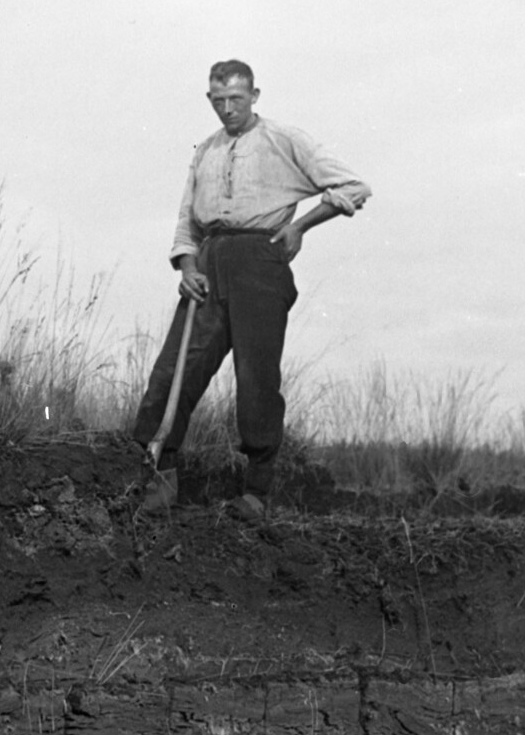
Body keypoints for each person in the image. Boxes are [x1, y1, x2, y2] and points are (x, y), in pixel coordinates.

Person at [132, 59, 372, 516]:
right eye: (218, 101)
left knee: (255, 379)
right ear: (209, 99)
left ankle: (255, 494)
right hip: (207, 268)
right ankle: (156, 486)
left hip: (260, 263)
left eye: (236, 100)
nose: (227, 109)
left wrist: (301, 226)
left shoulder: (283, 139)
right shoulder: (204, 150)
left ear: (255, 96)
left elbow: (353, 187)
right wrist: (187, 265)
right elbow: (186, 221)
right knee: (172, 374)